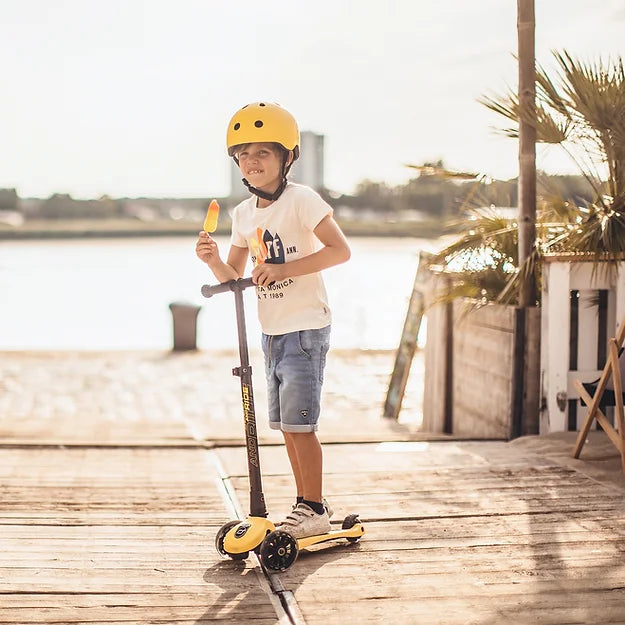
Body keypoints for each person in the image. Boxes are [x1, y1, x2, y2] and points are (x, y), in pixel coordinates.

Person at [195, 101, 350, 539]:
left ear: (287, 157)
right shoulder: (244, 214)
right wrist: (212, 263)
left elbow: (340, 251)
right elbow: (235, 278)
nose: (252, 161)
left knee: (302, 425)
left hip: (304, 326)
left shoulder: (303, 201)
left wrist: (283, 269)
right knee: (286, 426)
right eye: (244, 153)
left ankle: (314, 507)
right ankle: (306, 503)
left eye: (264, 152)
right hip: (272, 330)